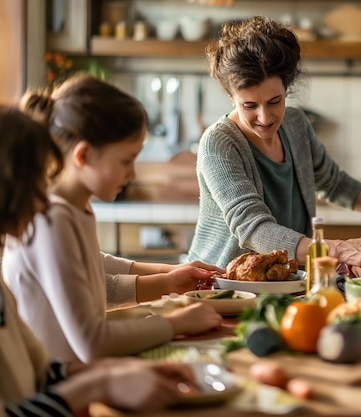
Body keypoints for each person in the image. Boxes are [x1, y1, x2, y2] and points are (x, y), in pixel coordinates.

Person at [2, 74, 223, 364]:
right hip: (56, 392)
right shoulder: (51, 220)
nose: (132, 174)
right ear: (84, 155)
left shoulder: (74, 208)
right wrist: (177, 323)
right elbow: (93, 342)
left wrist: (171, 276)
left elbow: (94, 270)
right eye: (126, 161)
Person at [0, 105, 205, 416]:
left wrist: (120, 373)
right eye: (36, 187)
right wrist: (102, 383)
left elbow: (43, 373)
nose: (44, 202)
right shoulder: (55, 218)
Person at [186, 16, 361, 270]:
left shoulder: (295, 123)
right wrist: (338, 250)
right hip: (220, 286)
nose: (265, 117)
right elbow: (254, 229)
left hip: (285, 282)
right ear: (230, 95)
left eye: (275, 101)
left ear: (286, 88)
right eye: (250, 105)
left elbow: (333, 182)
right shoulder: (219, 143)